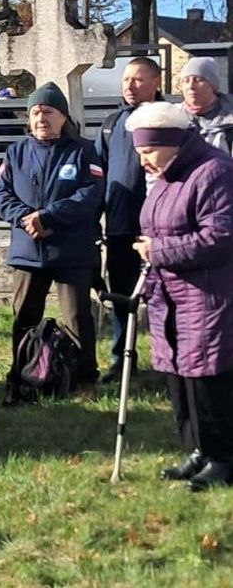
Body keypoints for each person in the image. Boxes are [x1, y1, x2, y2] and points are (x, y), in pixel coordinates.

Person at [127, 102, 233, 491]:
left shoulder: (214, 172)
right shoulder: (168, 177)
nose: (143, 163)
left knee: (208, 379)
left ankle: (223, 458)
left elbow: (220, 237)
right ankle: (197, 451)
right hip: (170, 296)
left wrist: (158, 252)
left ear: (172, 142)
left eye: (148, 152)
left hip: (208, 294)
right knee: (180, 377)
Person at [0, 82, 104, 403]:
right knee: (24, 318)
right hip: (28, 252)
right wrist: (26, 217)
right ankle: (20, 381)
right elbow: (0, 192)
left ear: (63, 117)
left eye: (48, 111)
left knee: (77, 319)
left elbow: (90, 194)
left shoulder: (84, 150)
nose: (41, 117)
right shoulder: (16, 151)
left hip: (71, 251)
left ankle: (84, 381)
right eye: (35, 112)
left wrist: (49, 217)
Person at [95, 57, 162, 382]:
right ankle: (123, 361)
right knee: (121, 297)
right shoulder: (112, 123)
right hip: (121, 227)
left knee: (164, 296)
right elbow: (99, 174)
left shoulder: (168, 122)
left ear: (156, 83)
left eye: (137, 79)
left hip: (159, 229)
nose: (129, 86)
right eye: (126, 80)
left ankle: (170, 361)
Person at [176, 57, 233, 154]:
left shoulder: (229, 117)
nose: (190, 86)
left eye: (198, 80)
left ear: (212, 84)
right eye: (186, 81)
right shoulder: (172, 117)